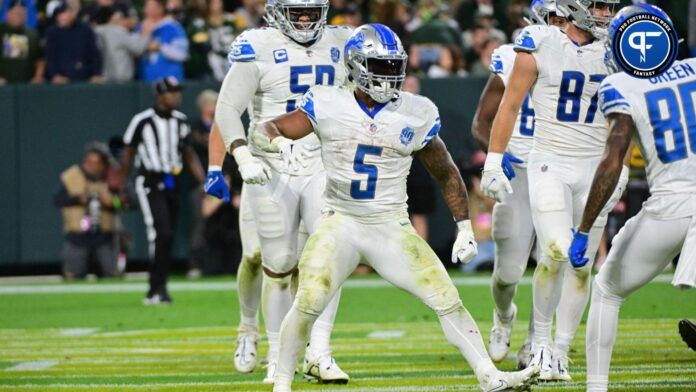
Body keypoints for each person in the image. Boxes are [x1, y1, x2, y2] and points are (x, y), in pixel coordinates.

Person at [253, 24, 540, 392]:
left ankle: (489, 375)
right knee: (308, 300)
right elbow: (268, 128)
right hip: (340, 221)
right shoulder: (327, 101)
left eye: (394, 66)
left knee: (446, 298)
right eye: (380, 66)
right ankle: (281, 383)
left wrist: (464, 226)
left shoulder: (415, 111)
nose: (390, 75)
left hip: (390, 225)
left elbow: (446, 171)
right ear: (356, 65)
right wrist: (279, 144)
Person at [204, 0, 352, 383]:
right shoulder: (257, 44)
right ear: (276, 11)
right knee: (272, 262)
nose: (304, 18)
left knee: (326, 256)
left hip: (322, 162)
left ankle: (319, 351)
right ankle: (258, 338)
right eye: (295, 11)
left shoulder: (343, 40)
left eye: (310, 10)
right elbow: (226, 109)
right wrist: (233, 157)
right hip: (270, 163)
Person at [480, 0, 627, 381]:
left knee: (581, 266)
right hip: (548, 162)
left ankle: (557, 351)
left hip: (597, 167)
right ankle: (531, 336)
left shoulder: (621, 45)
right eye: (597, 6)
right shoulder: (536, 44)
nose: (605, 16)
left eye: (610, 7)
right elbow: (506, 109)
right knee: (550, 253)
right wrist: (495, 160)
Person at [567, 4, 696, 391]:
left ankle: (596, 387)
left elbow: (611, 161)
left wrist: (584, 228)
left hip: (673, 203)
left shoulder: (621, 86)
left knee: (607, 290)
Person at [471, 0, 565, 370]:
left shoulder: (584, 58)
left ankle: (536, 341)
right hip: (520, 174)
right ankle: (503, 316)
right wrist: (497, 155)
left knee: (552, 259)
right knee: (508, 272)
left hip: (558, 171)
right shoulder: (511, 58)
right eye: (557, 19)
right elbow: (481, 123)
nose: (563, 27)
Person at [119, 77, 205, 304]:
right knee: (160, 233)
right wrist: (121, 186)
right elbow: (128, 154)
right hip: (149, 182)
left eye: (178, 91)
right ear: (159, 96)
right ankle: (156, 288)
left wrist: (204, 181)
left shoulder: (181, 121)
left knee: (166, 235)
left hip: (172, 182)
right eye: (171, 92)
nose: (176, 96)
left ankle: (158, 288)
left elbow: (188, 153)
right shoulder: (142, 121)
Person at [54, 143, 120, 280]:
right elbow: (58, 200)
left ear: (103, 164)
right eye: (89, 162)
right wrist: (77, 199)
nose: (92, 166)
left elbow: (127, 202)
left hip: (104, 236)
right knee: (72, 275)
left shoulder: (112, 176)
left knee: (112, 275)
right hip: (78, 236)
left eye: (97, 163)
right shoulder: (71, 176)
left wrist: (111, 202)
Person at [45, 1, 103, 83]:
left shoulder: (85, 30)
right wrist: (55, 75)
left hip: (85, 78)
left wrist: (97, 74)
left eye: (63, 13)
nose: (61, 17)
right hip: (61, 81)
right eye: (59, 14)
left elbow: (95, 54)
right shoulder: (52, 32)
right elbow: (50, 57)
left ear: (72, 13)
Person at [94, 6, 152, 82]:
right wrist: (146, 33)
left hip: (101, 80)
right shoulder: (116, 31)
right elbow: (138, 48)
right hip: (120, 80)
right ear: (111, 18)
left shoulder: (94, 32)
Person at [136, 0, 188, 81]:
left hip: (169, 82)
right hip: (144, 81)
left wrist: (160, 47)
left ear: (160, 8)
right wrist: (144, 37)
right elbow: (133, 50)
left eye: (149, 6)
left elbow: (182, 54)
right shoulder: (140, 27)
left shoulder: (173, 27)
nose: (145, 9)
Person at [0, 0, 43, 84]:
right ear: (7, 14)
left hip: (26, 87)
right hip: (3, 87)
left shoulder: (32, 35)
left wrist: (37, 77)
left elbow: (39, 60)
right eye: (15, 13)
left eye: (21, 13)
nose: (18, 16)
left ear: (26, 16)